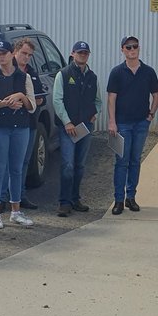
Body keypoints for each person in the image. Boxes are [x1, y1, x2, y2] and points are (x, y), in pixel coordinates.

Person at [0, 38, 36, 229]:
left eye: (4, 53)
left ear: (11, 53)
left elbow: (32, 106)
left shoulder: (24, 77)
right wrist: (4, 103)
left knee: (17, 169)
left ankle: (16, 211)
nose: (1, 57)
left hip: (20, 128)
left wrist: (20, 96)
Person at [106, 35, 158, 215]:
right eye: (128, 47)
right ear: (122, 50)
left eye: (135, 46)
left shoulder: (148, 72)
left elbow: (157, 95)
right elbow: (111, 98)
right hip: (122, 124)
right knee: (121, 162)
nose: (132, 50)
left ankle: (131, 197)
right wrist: (112, 122)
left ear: (139, 48)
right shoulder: (116, 72)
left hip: (141, 124)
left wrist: (151, 115)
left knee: (135, 160)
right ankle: (119, 200)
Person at [52, 41, 100, 217]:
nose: (82, 55)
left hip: (85, 126)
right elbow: (57, 100)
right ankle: (64, 202)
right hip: (68, 127)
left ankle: (75, 198)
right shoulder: (63, 74)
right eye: (79, 52)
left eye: (85, 53)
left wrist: (96, 113)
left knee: (79, 165)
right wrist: (67, 122)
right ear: (72, 54)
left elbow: (98, 100)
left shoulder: (92, 77)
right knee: (67, 165)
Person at [0, 37, 43, 212]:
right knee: (4, 163)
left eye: (30, 55)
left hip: (28, 123)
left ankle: (19, 196)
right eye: (23, 53)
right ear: (15, 52)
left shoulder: (32, 72)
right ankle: (1, 198)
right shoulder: (6, 71)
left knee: (23, 162)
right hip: (7, 123)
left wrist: (29, 100)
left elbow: (38, 98)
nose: (26, 58)